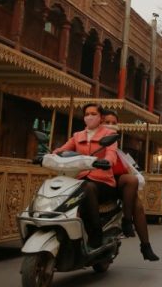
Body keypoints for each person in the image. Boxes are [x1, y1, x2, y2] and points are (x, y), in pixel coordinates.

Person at [53, 103, 118, 249]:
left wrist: (107, 161)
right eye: (87, 114)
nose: (90, 116)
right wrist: (49, 155)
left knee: (87, 187)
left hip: (103, 182)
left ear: (101, 117)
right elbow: (62, 150)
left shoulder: (108, 135)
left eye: (93, 114)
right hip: (81, 179)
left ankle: (96, 235)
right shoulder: (77, 136)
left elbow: (111, 153)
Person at [101, 110, 159, 261]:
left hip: (119, 183)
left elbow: (124, 167)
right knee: (130, 182)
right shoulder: (95, 139)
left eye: (114, 123)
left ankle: (145, 245)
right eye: (107, 122)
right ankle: (127, 222)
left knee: (137, 205)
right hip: (102, 181)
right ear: (101, 123)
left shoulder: (115, 144)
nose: (111, 125)